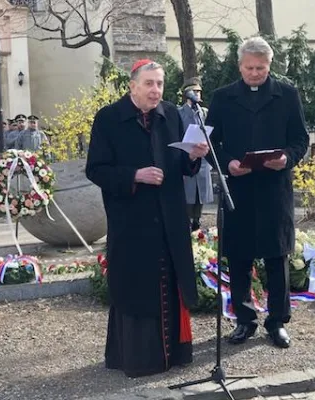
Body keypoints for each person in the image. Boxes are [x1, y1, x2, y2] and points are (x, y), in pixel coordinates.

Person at [85, 59, 209, 378]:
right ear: (133, 85)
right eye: (149, 84)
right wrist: (134, 175)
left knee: (169, 282)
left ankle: (174, 354)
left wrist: (193, 158)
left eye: (160, 84)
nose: (156, 90)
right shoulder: (109, 118)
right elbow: (95, 169)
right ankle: (140, 359)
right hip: (131, 219)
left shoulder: (170, 115)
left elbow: (181, 164)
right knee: (136, 288)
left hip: (169, 216)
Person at [205, 36, 309, 349]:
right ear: (240, 66)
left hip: (274, 189)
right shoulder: (222, 98)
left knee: (276, 258)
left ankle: (277, 321)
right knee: (238, 258)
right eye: (249, 68)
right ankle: (245, 320)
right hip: (237, 188)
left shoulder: (286, 95)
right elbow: (210, 144)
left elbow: (300, 140)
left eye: (261, 68)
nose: (255, 73)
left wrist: (286, 159)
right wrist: (227, 162)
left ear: (269, 66)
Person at [178, 77, 214, 231]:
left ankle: (197, 221)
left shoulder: (204, 112)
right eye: (194, 91)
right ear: (187, 94)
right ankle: (186, 222)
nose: (197, 94)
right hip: (187, 158)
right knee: (188, 194)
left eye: (199, 91)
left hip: (203, 160)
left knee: (201, 194)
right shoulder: (179, 113)